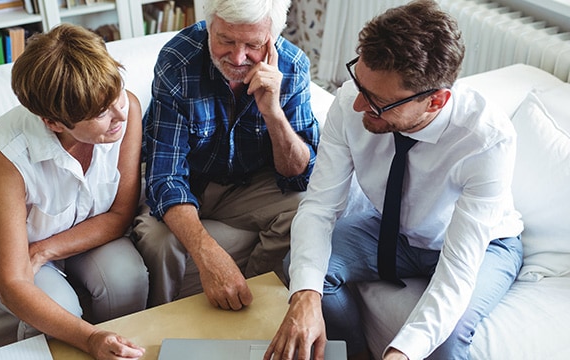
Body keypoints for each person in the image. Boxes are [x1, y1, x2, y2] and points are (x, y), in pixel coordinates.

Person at [265, 1, 524, 359]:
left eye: (379, 103)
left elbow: (459, 270)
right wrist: (307, 297)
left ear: (436, 101)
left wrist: (401, 352)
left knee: (443, 343)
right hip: (392, 229)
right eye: (359, 84)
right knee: (303, 274)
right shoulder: (350, 103)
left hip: (479, 245)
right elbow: (320, 205)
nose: (358, 106)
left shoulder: (486, 140)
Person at [0, 23, 149, 360]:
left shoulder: (126, 110)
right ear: (54, 123)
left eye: (117, 93)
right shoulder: (6, 154)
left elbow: (121, 214)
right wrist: (90, 339)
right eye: (100, 113)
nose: (119, 113)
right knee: (58, 308)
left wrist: (45, 250)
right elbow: (12, 282)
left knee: (128, 277)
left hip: (74, 233)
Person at [132, 0, 319, 310]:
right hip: (188, 183)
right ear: (209, 26)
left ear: (272, 38)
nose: (237, 57)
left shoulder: (292, 65)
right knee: (158, 240)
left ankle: (253, 303)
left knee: (305, 208)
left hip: (246, 187)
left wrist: (273, 113)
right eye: (226, 40)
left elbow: (301, 175)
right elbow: (165, 177)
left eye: (253, 44)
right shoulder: (178, 60)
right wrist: (209, 254)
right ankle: (161, 322)